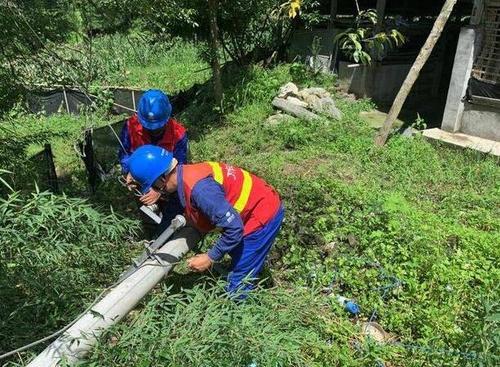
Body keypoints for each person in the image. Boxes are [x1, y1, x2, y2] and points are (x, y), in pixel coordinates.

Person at [127, 145, 285, 296]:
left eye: (153, 186)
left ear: (162, 179)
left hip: (262, 213)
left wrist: (210, 257)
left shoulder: (201, 191)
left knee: (241, 277)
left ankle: (240, 310)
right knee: (236, 251)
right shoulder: (187, 174)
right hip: (252, 204)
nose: (154, 191)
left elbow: (234, 228)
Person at [118, 89, 187, 227]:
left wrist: (160, 191)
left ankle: (169, 231)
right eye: (148, 126)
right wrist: (130, 170)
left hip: (167, 183)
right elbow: (124, 153)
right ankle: (150, 230)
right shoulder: (130, 127)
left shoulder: (178, 134)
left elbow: (180, 170)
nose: (153, 130)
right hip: (141, 181)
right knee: (148, 214)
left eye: (158, 127)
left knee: (173, 215)